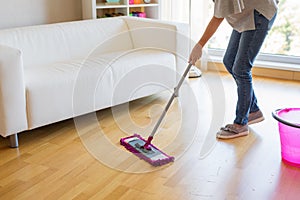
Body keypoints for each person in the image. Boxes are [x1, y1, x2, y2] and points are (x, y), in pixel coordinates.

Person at [189, 0, 278, 139]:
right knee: (229, 60)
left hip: (258, 15)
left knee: (241, 69)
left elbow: (218, 18)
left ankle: (241, 124)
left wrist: (199, 45)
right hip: (245, 16)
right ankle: (253, 111)